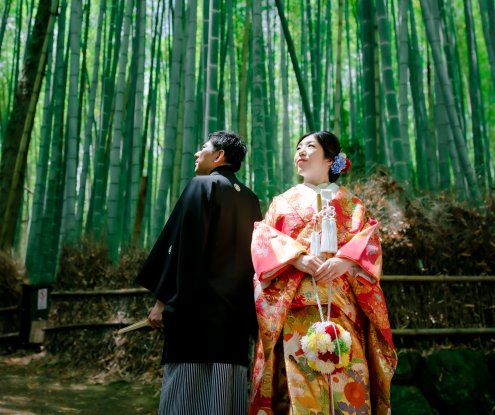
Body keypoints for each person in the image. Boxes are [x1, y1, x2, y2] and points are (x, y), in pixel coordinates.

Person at [248, 131, 397, 415]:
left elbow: (369, 241)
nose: (300, 152)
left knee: (351, 387)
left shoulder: (352, 203)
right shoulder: (282, 203)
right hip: (297, 309)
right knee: (301, 389)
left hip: (343, 310)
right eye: (298, 148)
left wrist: (345, 261)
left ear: (330, 159)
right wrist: (297, 259)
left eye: (309, 146)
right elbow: (263, 239)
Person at [136, 130, 262, 415]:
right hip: (234, 321)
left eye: (203, 147)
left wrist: (162, 303)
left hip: (196, 315)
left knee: (186, 398)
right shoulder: (252, 200)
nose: (196, 153)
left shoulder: (202, 186)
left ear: (219, 155)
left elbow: (181, 248)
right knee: (224, 399)